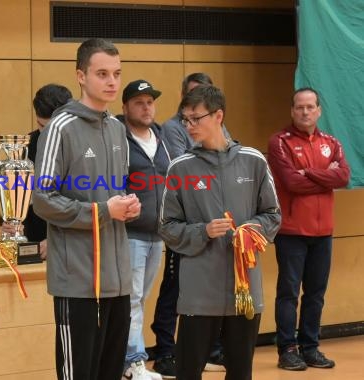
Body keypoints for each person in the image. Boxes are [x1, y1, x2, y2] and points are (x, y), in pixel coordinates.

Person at [32, 38, 141, 380]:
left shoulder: (117, 128)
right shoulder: (60, 128)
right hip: (77, 281)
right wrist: (104, 211)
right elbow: (42, 199)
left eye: (117, 74)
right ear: (81, 76)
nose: (112, 82)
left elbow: (112, 196)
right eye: (102, 74)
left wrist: (127, 206)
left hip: (117, 280)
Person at [159, 85, 281, 380]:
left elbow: (273, 215)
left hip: (244, 292)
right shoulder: (180, 168)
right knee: (189, 372)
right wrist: (204, 231)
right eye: (185, 120)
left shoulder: (254, 160)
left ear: (218, 116)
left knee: (240, 372)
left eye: (195, 119)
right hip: (199, 293)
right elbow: (166, 227)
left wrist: (251, 230)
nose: (189, 127)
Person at [268, 87, 350, 371]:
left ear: (319, 111)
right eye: (299, 107)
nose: (305, 112)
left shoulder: (332, 142)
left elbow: (344, 176)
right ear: (292, 111)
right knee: (289, 292)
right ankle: (287, 350)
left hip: (323, 232)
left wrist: (311, 173)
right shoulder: (280, 142)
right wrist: (325, 176)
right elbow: (292, 182)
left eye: (310, 107)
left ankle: (311, 347)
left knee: (316, 293)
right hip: (291, 231)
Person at [152, 73, 226, 378]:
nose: (193, 120)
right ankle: (166, 350)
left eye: (201, 111)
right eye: (190, 112)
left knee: (216, 291)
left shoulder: (221, 131)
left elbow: (225, 161)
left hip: (217, 228)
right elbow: (187, 169)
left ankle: (213, 348)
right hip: (186, 224)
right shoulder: (173, 128)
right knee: (174, 292)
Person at [117, 80, 171, 380]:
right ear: (125, 107)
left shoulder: (160, 137)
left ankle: (131, 361)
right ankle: (134, 361)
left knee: (140, 297)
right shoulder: (119, 138)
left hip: (157, 235)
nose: (146, 107)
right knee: (132, 299)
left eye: (150, 101)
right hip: (130, 233)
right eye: (139, 102)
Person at [0, 84, 72, 259]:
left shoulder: (83, 148)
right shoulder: (25, 147)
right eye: (41, 126)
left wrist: (56, 239)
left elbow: (87, 204)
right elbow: (13, 194)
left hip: (71, 246)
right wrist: (8, 223)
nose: (46, 135)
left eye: (52, 129)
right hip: (33, 244)